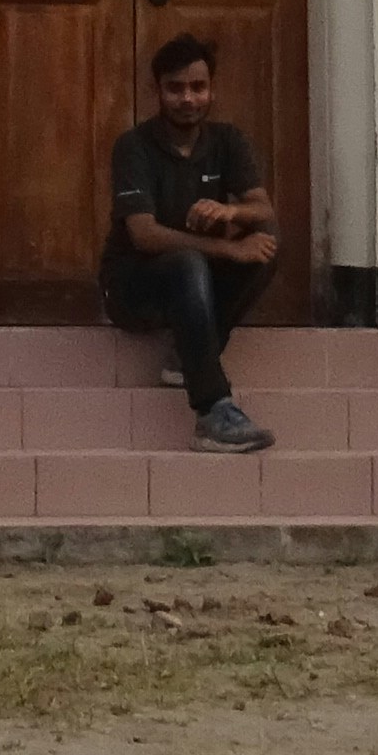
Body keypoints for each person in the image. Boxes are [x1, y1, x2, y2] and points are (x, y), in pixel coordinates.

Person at [104, 30, 278, 453]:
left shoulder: (226, 141)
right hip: (133, 288)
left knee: (268, 242)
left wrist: (231, 214)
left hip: (196, 287)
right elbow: (143, 235)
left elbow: (263, 209)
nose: (188, 99)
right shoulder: (134, 146)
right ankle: (213, 412)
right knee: (188, 262)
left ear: (212, 90)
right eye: (175, 88)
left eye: (198, 88)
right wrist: (227, 247)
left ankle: (189, 356)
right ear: (157, 91)